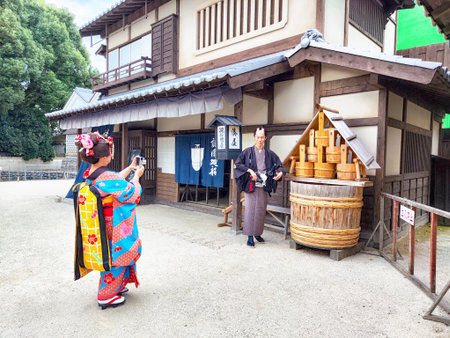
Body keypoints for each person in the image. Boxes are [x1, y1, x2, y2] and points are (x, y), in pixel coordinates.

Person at [75, 132, 144, 309]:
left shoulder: (92, 172)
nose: (111, 154)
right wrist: (136, 178)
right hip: (113, 224)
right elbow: (131, 193)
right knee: (117, 256)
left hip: (102, 222)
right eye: (110, 152)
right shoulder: (107, 176)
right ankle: (106, 295)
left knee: (113, 256)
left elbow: (113, 181)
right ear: (105, 156)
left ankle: (117, 286)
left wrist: (129, 168)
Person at [234, 127, 283, 247]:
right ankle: (250, 235)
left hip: (263, 185)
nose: (259, 139)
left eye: (262, 137)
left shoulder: (270, 154)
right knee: (250, 209)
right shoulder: (247, 152)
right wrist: (250, 170)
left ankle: (257, 234)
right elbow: (238, 164)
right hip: (251, 185)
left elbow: (279, 165)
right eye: (258, 137)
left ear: (265, 138)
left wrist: (280, 172)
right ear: (254, 138)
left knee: (261, 210)